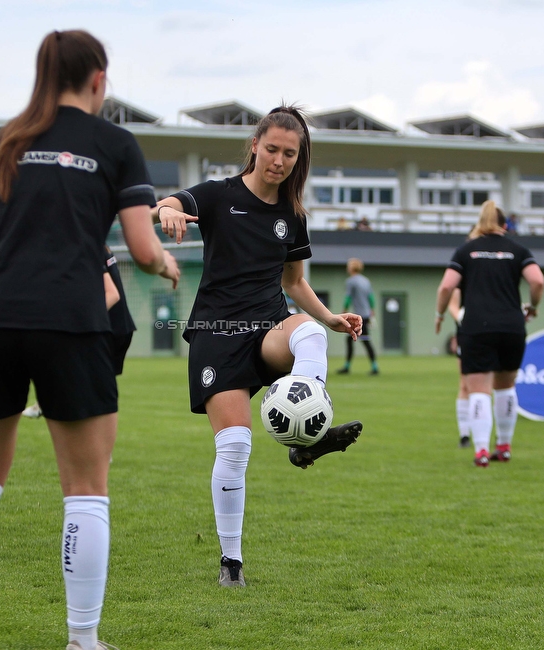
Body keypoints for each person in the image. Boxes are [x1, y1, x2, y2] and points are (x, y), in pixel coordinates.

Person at [0, 31, 179, 650]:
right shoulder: (117, 144)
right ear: (98, 80)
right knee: (86, 488)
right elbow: (145, 251)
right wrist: (167, 267)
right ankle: (82, 639)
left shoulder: (3, 141)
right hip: (71, 320)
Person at [155, 105, 364, 588]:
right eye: (272, 149)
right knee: (234, 446)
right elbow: (168, 201)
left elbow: (294, 282)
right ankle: (231, 564)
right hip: (216, 334)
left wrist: (330, 319)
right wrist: (167, 211)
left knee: (309, 333)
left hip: (268, 327)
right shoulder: (218, 195)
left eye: (290, 153)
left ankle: (306, 438)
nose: (279, 160)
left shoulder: (292, 215)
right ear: (255, 145)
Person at [435, 200, 544, 467]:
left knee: (479, 391)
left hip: (476, 327)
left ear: (480, 224)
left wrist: (439, 314)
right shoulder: (518, 250)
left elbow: (446, 288)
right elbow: (537, 281)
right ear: (505, 225)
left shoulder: (466, 251)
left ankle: (481, 451)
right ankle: (504, 447)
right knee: (506, 388)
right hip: (512, 326)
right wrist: (532, 307)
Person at [22, 245, 130, 419]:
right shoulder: (96, 246)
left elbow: (112, 295)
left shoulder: (86, 247)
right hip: (118, 326)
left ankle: (50, 404)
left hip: (109, 327)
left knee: (84, 386)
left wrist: (82, 320)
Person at [336, 257, 378, 375]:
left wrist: (344, 310)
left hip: (358, 315)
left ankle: (373, 367)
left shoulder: (351, 281)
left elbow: (348, 297)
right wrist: (372, 309)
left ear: (352, 267)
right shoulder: (366, 281)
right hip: (366, 314)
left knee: (363, 339)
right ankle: (350, 366)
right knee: (358, 339)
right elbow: (371, 297)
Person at [446, 287, 469, 448]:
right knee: (464, 384)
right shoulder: (462, 279)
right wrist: (463, 318)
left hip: (493, 334)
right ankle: (464, 434)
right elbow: (452, 305)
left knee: (493, 386)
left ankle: (500, 438)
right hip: (468, 335)